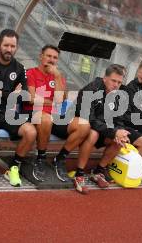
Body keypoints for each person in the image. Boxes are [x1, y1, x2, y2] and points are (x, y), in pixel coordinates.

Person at [73, 64, 142, 194]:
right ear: (105, 78)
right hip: (83, 127)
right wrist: (114, 131)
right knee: (93, 134)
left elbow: (118, 120)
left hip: (103, 129)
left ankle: (98, 172)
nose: (116, 85)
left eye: (119, 82)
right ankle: (79, 174)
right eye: (114, 80)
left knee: (120, 140)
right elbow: (90, 120)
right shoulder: (91, 90)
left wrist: (119, 132)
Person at [0, 29, 37, 190]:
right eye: (6, 45)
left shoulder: (20, 69)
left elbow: (23, 95)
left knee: (31, 132)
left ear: (16, 47)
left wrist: (0, 93)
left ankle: (13, 168)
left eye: (13, 46)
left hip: (10, 113)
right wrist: (10, 94)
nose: (9, 49)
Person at [23, 45, 90, 182]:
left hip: (53, 116)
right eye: (48, 56)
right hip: (34, 114)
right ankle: (41, 158)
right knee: (46, 119)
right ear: (41, 56)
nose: (51, 60)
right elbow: (31, 99)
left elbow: (60, 100)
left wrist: (58, 76)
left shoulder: (58, 77)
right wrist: (52, 102)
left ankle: (59, 159)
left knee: (84, 125)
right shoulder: (31, 73)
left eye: (55, 58)